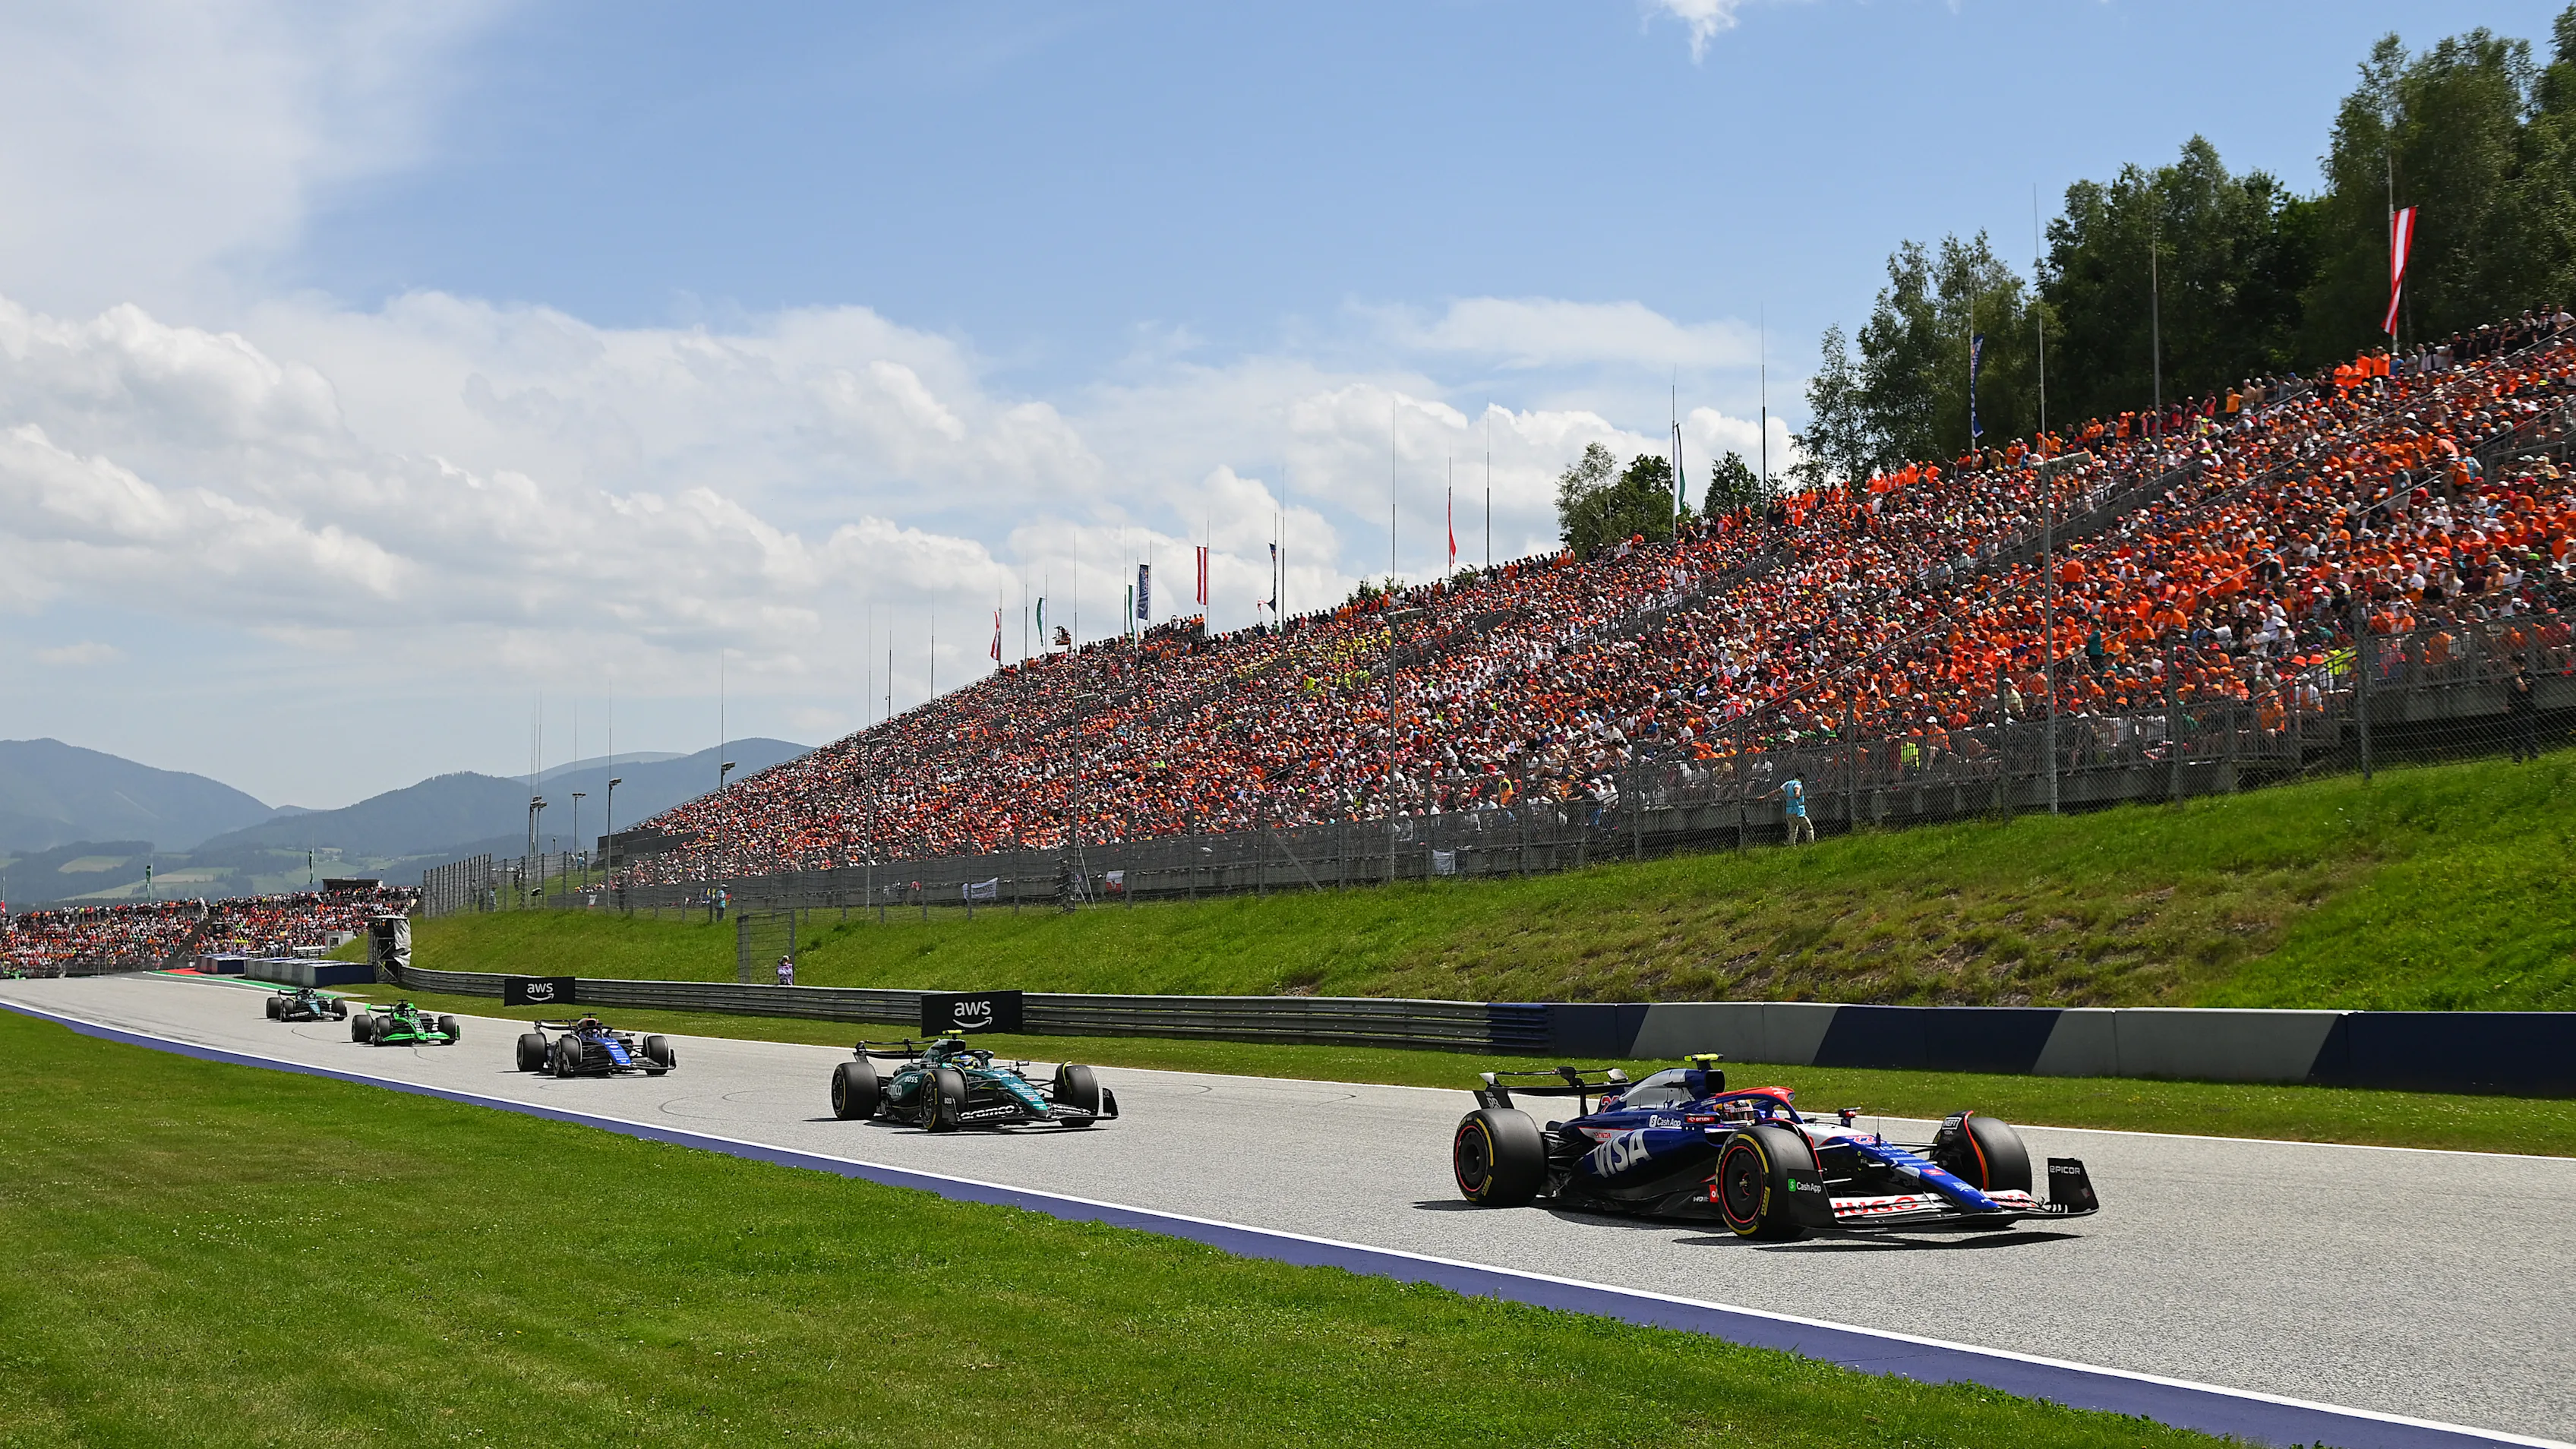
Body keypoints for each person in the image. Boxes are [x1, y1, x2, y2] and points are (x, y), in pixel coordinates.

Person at [2507, 661, 2540, 762]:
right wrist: (2508, 704)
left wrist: (2517, 675)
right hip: (2514, 709)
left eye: (2512, 665)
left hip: (2526, 708)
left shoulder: (2528, 675)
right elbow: (2511, 692)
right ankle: (2517, 758)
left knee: (2527, 733)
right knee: (2515, 735)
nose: (2510, 668)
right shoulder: (2512, 678)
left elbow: (2524, 688)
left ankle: (2533, 756)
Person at [1780, 775, 1814, 846]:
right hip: (1798, 811)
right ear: (1801, 777)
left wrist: (1765, 796)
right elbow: (1797, 788)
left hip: (1789, 811)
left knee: (1792, 831)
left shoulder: (1787, 784)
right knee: (1809, 829)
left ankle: (1791, 845)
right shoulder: (1798, 783)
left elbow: (1776, 791)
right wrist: (1797, 793)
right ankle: (1810, 844)